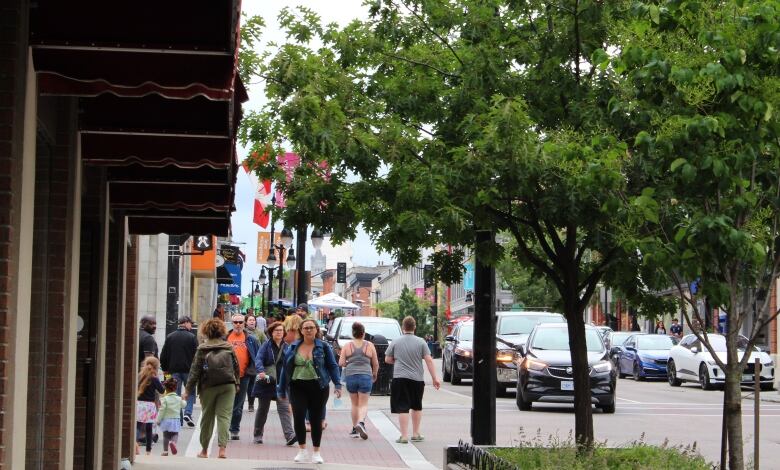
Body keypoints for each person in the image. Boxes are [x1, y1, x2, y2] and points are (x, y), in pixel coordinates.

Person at [277, 319, 342, 464]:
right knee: (299, 416)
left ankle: (316, 452)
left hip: (319, 387)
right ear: (301, 330)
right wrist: (281, 389)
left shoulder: (323, 346)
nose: (308, 330)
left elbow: (332, 366)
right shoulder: (293, 347)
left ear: (316, 329)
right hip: (297, 386)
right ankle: (302, 450)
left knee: (315, 419)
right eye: (306, 328)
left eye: (311, 328)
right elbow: (285, 369)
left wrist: (338, 384)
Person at [183, 318, 240, 459]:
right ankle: (222, 450)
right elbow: (236, 367)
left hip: (208, 386)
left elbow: (195, 371)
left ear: (206, 331)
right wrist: (237, 383)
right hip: (228, 384)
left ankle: (204, 450)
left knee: (207, 417)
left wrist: (188, 390)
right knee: (224, 416)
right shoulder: (228, 346)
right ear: (221, 331)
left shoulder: (202, 348)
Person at [385, 316, 440, 444]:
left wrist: (397, 360)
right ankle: (415, 434)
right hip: (417, 379)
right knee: (416, 406)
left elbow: (387, 359)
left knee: (403, 407)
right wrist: (434, 378)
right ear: (414, 327)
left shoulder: (396, 341)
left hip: (400, 378)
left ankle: (404, 436)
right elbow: (429, 360)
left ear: (403, 327)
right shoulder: (421, 342)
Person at [252, 321, 296, 445]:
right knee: (263, 409)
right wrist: (260, 371)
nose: (279, 332)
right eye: (276, 330)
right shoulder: (266, 345)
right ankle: (258, 434)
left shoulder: (287, 347)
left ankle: (289, 435)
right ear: (271, 332)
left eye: (281, 330)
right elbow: (258, 359)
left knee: (284, 409)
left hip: (281, 383)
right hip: (266, 381)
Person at [338, 322, 379, 440]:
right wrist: (374, 373)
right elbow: (375, 363)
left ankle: (354, 429)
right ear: (363, 333)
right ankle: (361, 422)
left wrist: (349, 363)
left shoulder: (347, 345)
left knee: (354, 404)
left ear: (353, 333)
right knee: (363, 403)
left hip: (351, 375)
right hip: (366, 375)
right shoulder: (369, 345)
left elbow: (341, 363)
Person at [227, 313, 261, 440]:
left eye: (240, 322)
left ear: (244, 323)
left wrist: (255, 371)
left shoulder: (252, 339)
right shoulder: (225, 337)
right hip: (227, 376)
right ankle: (225, 427)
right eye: (235, 322)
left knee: (238, 405)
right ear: (232, 323)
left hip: (244, 376)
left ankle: (234, 429)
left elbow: (258, 357)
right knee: (226, 404)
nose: (238, 325)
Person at [160, 315, 199, 427]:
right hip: (189, 371)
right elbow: (197, 355)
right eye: (190, 323)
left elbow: (164, 355)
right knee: (190, 392)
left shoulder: (170, 337)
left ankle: (179, 419)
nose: (191, 326)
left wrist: (165, 369)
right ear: (185, 323)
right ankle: (188, 412)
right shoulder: (192, 337)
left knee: (175, 395)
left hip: (173, 371)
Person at [136, 356, 164, 456]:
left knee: (138, 426)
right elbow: (162, 390)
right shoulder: (154, 378)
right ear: (156, 367)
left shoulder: (140, 376)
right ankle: (148, 451)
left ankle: (134, 444)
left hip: (139, 404)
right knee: (149, 428)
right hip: (149, 406)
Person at [157, 377, 187, 456]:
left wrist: (158, 419)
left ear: (166, 389)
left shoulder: (164, 399)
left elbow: (162, 410)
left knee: (166, 435)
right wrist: (183, 399)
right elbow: (183, 405)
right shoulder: (178, 398)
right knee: (175, 434)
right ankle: (173, 443)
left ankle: (165, 451)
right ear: (176, 388)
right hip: (176, 419)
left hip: (166, 420)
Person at [244, 314, 266, 413]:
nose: (252, 322)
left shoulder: (260, 333)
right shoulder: (243, 333)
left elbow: (266, 344)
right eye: (250, 320)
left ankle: (251, 403)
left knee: (252, 384)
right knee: (244, 383)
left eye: (253, 320)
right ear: (246, 322)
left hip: (255, 361)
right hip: (244, 361)